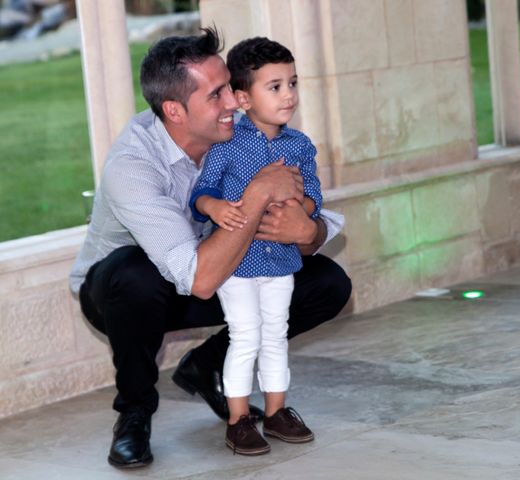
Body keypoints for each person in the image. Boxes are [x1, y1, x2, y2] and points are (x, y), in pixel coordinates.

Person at [69, 27, 351, 469]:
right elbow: (197, 278)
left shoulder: (249, 134)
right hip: (131, 293)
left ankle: (206, 365)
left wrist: (306, 231)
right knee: (134, 273)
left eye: (232, 89)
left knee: (328, 282)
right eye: (217, 95)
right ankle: (134, 413)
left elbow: (311, 224)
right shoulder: (133, 163)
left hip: (219, 271)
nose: (234, 102)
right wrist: (258, 196)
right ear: (174, 111)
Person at [190, 37, 322, 455]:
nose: (289, 96)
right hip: (237, 266)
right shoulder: (227, 144)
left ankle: (277, 411)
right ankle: (239, 419)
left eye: (293, 83)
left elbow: (314, 195)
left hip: (280, 260)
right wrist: (214, 208)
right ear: (243, 98)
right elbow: (201, 192)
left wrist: (302, 206)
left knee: (276, 335)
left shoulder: (300, 146)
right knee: (246, 335)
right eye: (276, 86)